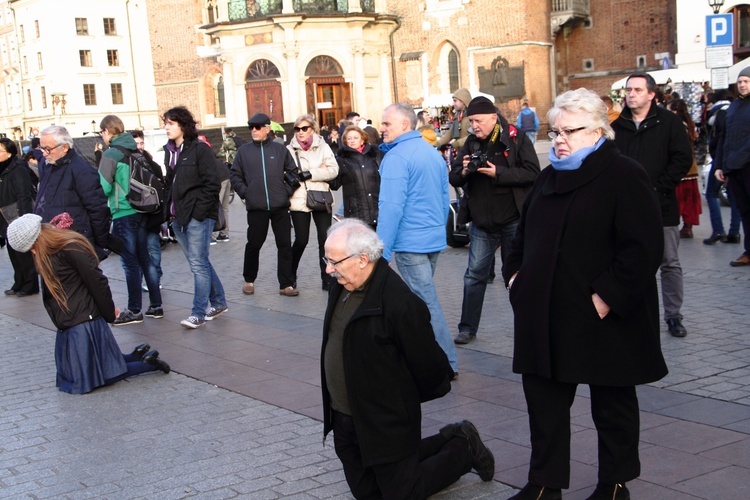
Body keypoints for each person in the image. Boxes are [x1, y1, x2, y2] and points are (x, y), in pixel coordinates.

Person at [503, 88, 667, 500]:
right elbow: (523, 236)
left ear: (598, 130)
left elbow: (643, 248)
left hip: (601, 315)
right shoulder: (549, 174)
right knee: (545, 404)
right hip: (544, 311)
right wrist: (515, 279)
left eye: (568, 131)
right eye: (554, 131)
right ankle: (544, 484)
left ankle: (614, 484)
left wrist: (603, 298)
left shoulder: (625, 174)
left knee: (612, 406)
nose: (558, 139)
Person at [321, 218, 495, 499]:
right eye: (326, 260)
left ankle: (463, 447)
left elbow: (431, 368)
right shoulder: (342, 285)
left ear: (363, 259)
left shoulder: (400, 303)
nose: (328, 269)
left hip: (385, 421)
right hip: (345, 419)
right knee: (369, 493)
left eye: (334, 262)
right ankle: (446, 438)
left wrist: (397, 405)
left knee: (404, 493)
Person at [6, 214, 170, 395]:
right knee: (78, 375)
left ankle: (146, 365)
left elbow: (97, 282)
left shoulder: (69, 248)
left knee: (93, 378)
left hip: (83, 320)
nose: (32, 253)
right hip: (72, 320)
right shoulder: (51, 251)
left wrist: (109, 313)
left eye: (31, 248)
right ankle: (134, 356)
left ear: (38, 239)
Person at [377, 102, 459, 376]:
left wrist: (382, 251)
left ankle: (446, 362)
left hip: (411, 243)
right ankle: (425, 356)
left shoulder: (398, 157)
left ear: (404, 125)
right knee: (421, 300)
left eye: (387, 124)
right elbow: (441, 198)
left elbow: (390, 207)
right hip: (432, 240)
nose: (382, 128)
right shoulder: (430, 152)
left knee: (425, 302)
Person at [449, 96, 540, 345]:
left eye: (478, 121)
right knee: (474, 276)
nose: (474, 126)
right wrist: (466, 170)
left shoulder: (515, 137)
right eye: (471, 122)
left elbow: (533, 173)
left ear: (493, 118)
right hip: (482, 222)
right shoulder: (470, 142)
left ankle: (528, 327)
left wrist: (498, 172)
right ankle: (467, 328)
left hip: (513, 220)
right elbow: (454, 177)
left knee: (516, 276)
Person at [612, 73, 693, 338]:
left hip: (662, 204)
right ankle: (632, 314)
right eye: (628, 90)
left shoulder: (669, 122)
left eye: (637, 89)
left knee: (669, 262)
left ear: (651, 94)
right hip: (625, 206)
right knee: (629, 261)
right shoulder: (617, 126)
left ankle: (674, 316)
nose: (631, 94)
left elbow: (682, 158)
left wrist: (659, 186)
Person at [162, 106, 228, 329]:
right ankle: (218, 302)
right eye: (165, 123)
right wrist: (168, 214)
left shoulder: (200, 149)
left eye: (171, 123)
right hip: (177, 217)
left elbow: (212, 183)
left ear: (183, 125)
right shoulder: (170, 151)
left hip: (197, 216)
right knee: (198, 262)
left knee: (198, 264)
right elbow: (170, 184)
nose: (166, 127)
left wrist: (198, 214)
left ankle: (197, 313)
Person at [98, 116, 163, 325]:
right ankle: (156, 305)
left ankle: (134, 309)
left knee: (129, 262)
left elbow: (104, 188)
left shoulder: (111, 154)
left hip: (124, 212)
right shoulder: (136, 151)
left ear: (107, 131)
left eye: (102, 132)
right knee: (145, 258)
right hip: (142, 210)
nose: (102, 135)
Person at [229, 112, 299, 297]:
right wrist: (246, 193)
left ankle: (286, 284)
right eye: (251, 127)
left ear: (267, 129)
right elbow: (235, 175)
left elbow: (293, 173)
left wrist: (286, 192)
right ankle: (249, 280)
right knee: (254, 244)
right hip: (256, 207)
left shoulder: (280, 150)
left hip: (280, 206)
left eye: (258, 127)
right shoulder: (243, 151)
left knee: (284, 244)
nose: (253, 130)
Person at [34, 126, 112, 260]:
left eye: (48, 149)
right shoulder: (51, 167)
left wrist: (97, 244)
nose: (44, 154)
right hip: (51, 242)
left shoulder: (81, 170)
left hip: (72, 244)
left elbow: (98, 210)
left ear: (64, 147)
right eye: (42, 148)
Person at [287, 114, 339, 291]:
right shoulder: (289, 149)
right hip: (298, 199)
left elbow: (333, 170)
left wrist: (311, 173)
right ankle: (290, 274)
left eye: (304, 128)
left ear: (313, 129)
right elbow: (288, 173)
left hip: (321, 198)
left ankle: (327, 278)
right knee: (301, 240)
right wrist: (320, 169)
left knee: (324, 241)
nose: (300, 132)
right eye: (297, 129)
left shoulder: (323, 147)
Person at [715, 67, 750, 266]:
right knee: (744, 210)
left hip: (745, 165)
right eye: (740, 82)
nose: (743, 85)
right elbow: (724, 137)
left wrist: (737, 159)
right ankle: (749, 251)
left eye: (746, 81)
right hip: (733, 167)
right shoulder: (734, 106)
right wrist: (720, 164)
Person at [0, 138, 38, 296]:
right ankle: (19, 281)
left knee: (23, 251)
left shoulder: (18, 168)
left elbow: (24, 195)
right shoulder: (2, 169)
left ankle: (31, 284)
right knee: (12, 249)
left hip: (16, 213)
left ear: (9, 153)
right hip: (4, 215)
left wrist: (24, 218)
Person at [704, 90, 742, 245]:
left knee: (711, 193)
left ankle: (718, 230)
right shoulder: (736, 109)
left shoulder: (718, 113)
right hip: (735, 159)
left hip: (721, 159)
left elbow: (719, 138)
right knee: (734, 196)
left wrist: (715, 153)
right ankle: (734, 232)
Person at [131, 130, 166, 294]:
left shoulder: (150, 162)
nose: (139, 146)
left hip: (151, 212)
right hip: (139, 212)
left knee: (152, 247)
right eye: (136, 143)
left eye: (141, 143)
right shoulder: (135, 161)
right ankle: (143, 279)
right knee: (142, 249)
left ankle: (155, 279)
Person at [330, 125, 380, 228]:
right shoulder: (341, 160)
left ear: (362, 140)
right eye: (349, 138)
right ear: (345, 142)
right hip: (355, 211)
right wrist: (327, 171)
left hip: (377, 208)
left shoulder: (374, 155)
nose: (352, 141)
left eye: (355, 138)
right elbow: (334, 185)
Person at [667, 99, 702, 239]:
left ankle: (683, 227)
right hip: (691, 167)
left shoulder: (676, 124)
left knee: (679, 198)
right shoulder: (689, 122)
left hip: (680, 167)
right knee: (689, 199)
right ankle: (688, 226)